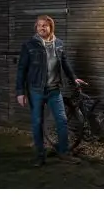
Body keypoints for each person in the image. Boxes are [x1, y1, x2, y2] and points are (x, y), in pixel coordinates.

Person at [16, 14, 87, 166]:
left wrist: (73, 78)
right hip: (36, 90)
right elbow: (21, 69)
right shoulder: (29, 45)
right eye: (39, 25)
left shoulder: (59, 44)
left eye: (45, 25)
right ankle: (40, 156)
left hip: (54, 90)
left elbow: (65, 63)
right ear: (36, 27)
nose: (42, 28)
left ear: (51, 27)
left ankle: (64, 153)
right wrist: (20, 92)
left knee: (62, 121)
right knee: (37, 123)